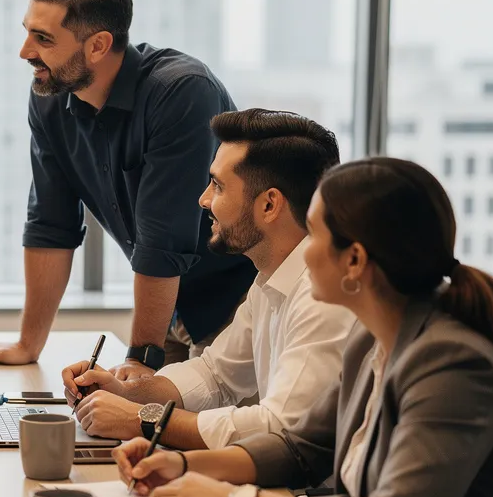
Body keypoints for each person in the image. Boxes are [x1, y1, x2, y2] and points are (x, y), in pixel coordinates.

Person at [114, 157, 493, 497]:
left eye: (313, 234)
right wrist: (181, 465)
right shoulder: (370, 338)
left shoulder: (450, 364)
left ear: (354, 260)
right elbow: (301, 446)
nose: (302, 251)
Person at [0, 0, 255, 377]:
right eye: (27, 31)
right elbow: (51, 225)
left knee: (203, 434)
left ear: (98, 45)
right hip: (171, 305)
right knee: (122, 427)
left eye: (43, 38)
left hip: (239, 306)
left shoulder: (181, 93)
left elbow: (163, 244)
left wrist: (138, 363)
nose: (25, 51)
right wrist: (27, 344)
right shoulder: (51, 98)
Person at [61, 109, 355, 449]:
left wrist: (141, 421)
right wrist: (126, 394)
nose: (203, 200)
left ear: (269, 205)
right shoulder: (269, 280)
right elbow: (216, 376)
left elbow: (280, 427)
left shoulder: (323, 297)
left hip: (317, 496)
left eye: (218, 185)